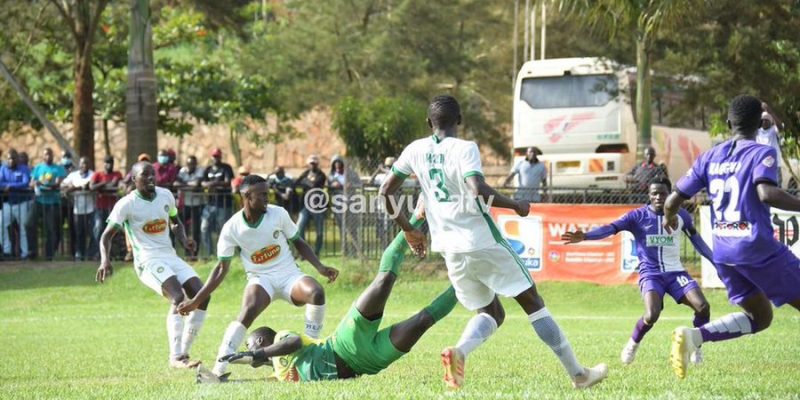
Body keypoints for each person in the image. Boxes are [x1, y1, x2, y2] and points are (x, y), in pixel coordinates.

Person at [380, 95, 607, 390]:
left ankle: (459, 352)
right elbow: (477, 189)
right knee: (533, 303)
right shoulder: (465, 148)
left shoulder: (415, 149)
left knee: (491, 312)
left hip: (450, 249)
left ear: (428, 123)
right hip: (481, 239)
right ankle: (579, 374)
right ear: (459, 120)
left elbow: (385, 190)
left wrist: (409, 228)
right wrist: (516, 205)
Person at [205, 208, 458, 384]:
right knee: (424, 320)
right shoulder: (280, 374)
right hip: (368, 364)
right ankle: (470, 279)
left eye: (250, 345)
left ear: (261, 342)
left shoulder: (282, 341)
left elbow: (294, 343)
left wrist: (258, 355)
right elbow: (263, 383)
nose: (248, 350)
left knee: (384, 281)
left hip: (346, 343)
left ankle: (416, 217)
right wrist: (227, 381)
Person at [664, 94, 800, 379]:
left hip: (724, 253)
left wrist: (669, 218)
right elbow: (766, 192)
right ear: (758, 123)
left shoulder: (709, 157)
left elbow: (671, 201)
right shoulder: (761, 151)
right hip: (757, 248)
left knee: (761, 318)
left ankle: (693, 337)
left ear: (728, 123)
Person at [177, 174, 339, 380]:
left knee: (316, 292)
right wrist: (195, 301)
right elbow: (220, 269)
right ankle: (218, 371)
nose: (267, 197)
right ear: (246, 196)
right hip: (260, 278)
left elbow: (299, 241)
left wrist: (320, 267)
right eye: (262, 194)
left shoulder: (278, 213)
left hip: (289, 275)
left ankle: (310, 353)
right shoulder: (232, 227)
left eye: (267, 193)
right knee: (247, 311)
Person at [561, 177, 713, 365]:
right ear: (649, 195)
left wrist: (715, 260)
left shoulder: (681, 215)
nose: (658, 197)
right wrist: (586, 236)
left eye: (663, 193)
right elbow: (611, 228)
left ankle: (696, 349)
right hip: (651, 274)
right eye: (654, 193)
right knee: (652, 314)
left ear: (670, 194)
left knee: (703, 307)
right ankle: (633, 344)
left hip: (676, 273)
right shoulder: (637, 216)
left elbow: (696, 239)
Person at [96, 161, 206, 368]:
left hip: (170, 256)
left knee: (202, 295)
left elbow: (175, 221)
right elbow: (106, 236)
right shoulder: (126, 204)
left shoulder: (165, 195)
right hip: (147, 260)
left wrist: (184, 240)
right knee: (179, 297)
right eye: (145, 176)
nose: (150, 179)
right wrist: (105, 260)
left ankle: (184, 351)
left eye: (152, 175)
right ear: (133, 179)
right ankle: (176, 357)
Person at [29, 148, 67, 261]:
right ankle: (32, 251)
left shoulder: (59, 169)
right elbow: (31, 183)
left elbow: (60, 183)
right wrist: (35, 183)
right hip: (39, 201)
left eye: (50, 154)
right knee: (28, 224)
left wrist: (52, 185)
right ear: (43, 156)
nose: (48, 156)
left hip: (53, 202)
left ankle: (49, 255)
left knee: (51, 229)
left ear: (52, 156)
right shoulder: (38, 168)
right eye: (46, 154)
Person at [200, 148, 235, 259]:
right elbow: (202, 182)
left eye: (218, 156)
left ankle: (223, 253)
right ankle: (210, 253)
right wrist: (209, 185)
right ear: (211, 157)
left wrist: (213, 184)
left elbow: (227, 182)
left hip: (223, 204)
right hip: (210, 203)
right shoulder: (208, 169)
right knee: (204, 227)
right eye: (214, 156)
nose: (216, 158)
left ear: (220, 157)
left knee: (223, 229)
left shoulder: (226, 168)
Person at [62, 157, 96, 260]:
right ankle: (79, 254)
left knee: (91, 233)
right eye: (82, 163)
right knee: (79, 233)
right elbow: (63, 184)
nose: (84, 165)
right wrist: (69, 185)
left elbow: (88, 186)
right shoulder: (74, 175)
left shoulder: (92, 175)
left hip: (90, 209)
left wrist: (75, 188)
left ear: (89, 165)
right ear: (79, 164)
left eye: (86, 163)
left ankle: (90, 254)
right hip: (77, 210)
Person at [0, 149, 32, 259]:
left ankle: (25, 253)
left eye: (13, 158)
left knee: (23, 228)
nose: (11, 160)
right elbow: (0, 182)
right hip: (8, 203)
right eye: (9, 158)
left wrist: (11, 186)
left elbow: (25, 182)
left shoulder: (23, 168)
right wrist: (9, 185)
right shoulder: (3, 168)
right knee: (1, 225)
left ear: (17, 159)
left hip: (21, 203)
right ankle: (6, 250)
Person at [90, 155, 123, 259]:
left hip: (113, 208)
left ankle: (113, 253)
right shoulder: (98, 175)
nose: (109, 165)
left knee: (113, 230)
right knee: (98, 228)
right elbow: (92, 187)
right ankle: (97, 252)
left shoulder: (117, 174)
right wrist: (104, 183)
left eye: (111, 162)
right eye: (106, 162)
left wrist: (103, 188)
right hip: (100, 207)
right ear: (103, 163)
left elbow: (118, 187)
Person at [328, 155, 362, 256]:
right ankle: (345, 251)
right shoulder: (331, 176)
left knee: (353, 228)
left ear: (344, 166)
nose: (338, 169)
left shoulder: (351, 174)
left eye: (340, 166)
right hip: (338, 205)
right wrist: (332, 186)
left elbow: (359, 184)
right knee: (342, 228)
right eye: (336, 167)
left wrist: (351, 185)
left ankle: (355, 251)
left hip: (351, 203)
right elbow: (328, 189)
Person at [294, 155, 327, 255]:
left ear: (317, 164)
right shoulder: (305, 173)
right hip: (305, 205)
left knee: (319, 231)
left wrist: (305, 181)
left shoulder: (321, 174)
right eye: (311, 163)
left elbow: (314, 185)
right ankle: (303, 252)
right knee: (299, 228)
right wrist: (308, 182)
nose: (312, 165)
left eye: (314, 163)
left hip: (317, 206)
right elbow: (296, 183)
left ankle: (317, 251)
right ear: (308, 164)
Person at [176, 155, 205, 261]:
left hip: (197, 204)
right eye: (189, 164)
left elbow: (197, 185)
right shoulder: (182, 171)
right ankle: (187, 252)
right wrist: (189, 186)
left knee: (196, 230)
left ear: (196, 164)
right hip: (185, 204)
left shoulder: (200, 171)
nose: (191, 166)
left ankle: (195, 253)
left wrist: (184, 186)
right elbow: (176, 184)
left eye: (193, 164)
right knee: (183, 229)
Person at [756, 103, 783, 187]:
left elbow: (780, 127)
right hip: (761, 165)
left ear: (771, 121)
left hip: (775, 165)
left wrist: (769, 111)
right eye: (762, 120)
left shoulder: (773, 131)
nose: (764, 121)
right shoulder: (757, 131)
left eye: (766, 120)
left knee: (777, 187)